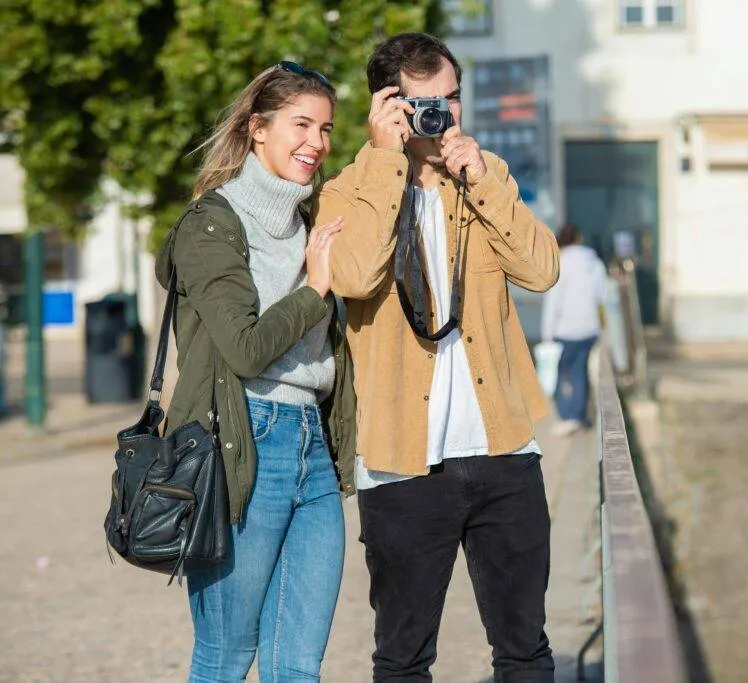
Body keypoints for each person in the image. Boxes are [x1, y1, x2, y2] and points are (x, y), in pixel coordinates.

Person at [313, 32, 560, 682]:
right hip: (401, 461)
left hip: (502, 447)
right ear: (386, 106)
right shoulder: (346, 191)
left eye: (451, 99)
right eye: (425, 103)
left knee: (527, 651)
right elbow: (356, 277)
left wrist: (480, 181)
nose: (443, 115)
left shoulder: (486, 176)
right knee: (403, 658)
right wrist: (385, 160)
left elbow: (541, 270)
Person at [154, 61, 357, 682]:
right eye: (301, 124)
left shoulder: (311, 223)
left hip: (311, 452)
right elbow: (244, 348)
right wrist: (315, 290)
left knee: (297, 665)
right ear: (257, 127)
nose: (316, 144)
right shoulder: (212, 223)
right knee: (226, 655)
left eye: (324, 129)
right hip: (241, 443)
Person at [541, 223, 607, 436]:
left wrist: (547, 333)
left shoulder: (560, 262)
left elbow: (554, 302)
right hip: (589, 329)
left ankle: (567, 416)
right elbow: (602, 298)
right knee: (580, 372)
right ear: (579, 238)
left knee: (559, 374)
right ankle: (578, 415)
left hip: (564, 330)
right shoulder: (595, 263)